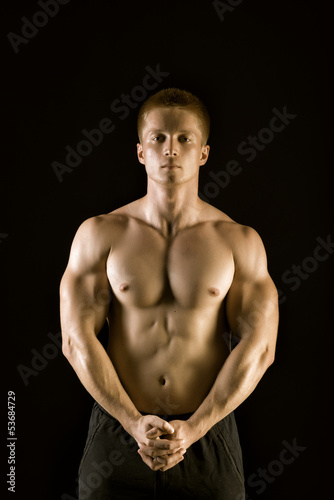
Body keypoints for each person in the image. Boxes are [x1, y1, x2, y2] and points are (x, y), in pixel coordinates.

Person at [60, 88, 279, 500]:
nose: (171, 149)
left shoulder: (239, 242)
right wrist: (130, 422)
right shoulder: (100, 234)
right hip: (118, 429)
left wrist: (194, 428)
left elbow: (260, 347)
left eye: (184, 139)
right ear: (141, 151)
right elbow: (75, 340)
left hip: (208, 431)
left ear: (204, 154)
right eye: (158, 138)